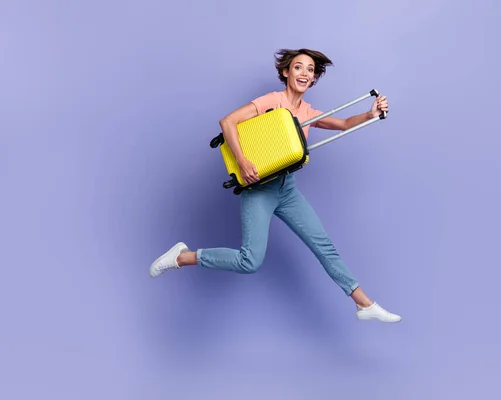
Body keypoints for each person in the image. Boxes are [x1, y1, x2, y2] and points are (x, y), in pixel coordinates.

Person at [150, 48, 401, 323]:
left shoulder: (307, 111)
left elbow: (343, 123)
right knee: (250, 262)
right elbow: (228, 122)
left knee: (323, 245)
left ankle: (363, 304)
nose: (304, 73)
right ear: (286, 72)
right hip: (259, 189)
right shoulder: (272, 100)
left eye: (310, 70)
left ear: (314, 78)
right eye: (298, 67)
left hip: (287, 189)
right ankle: (182, 257)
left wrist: (370, 113)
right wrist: (243, 162)